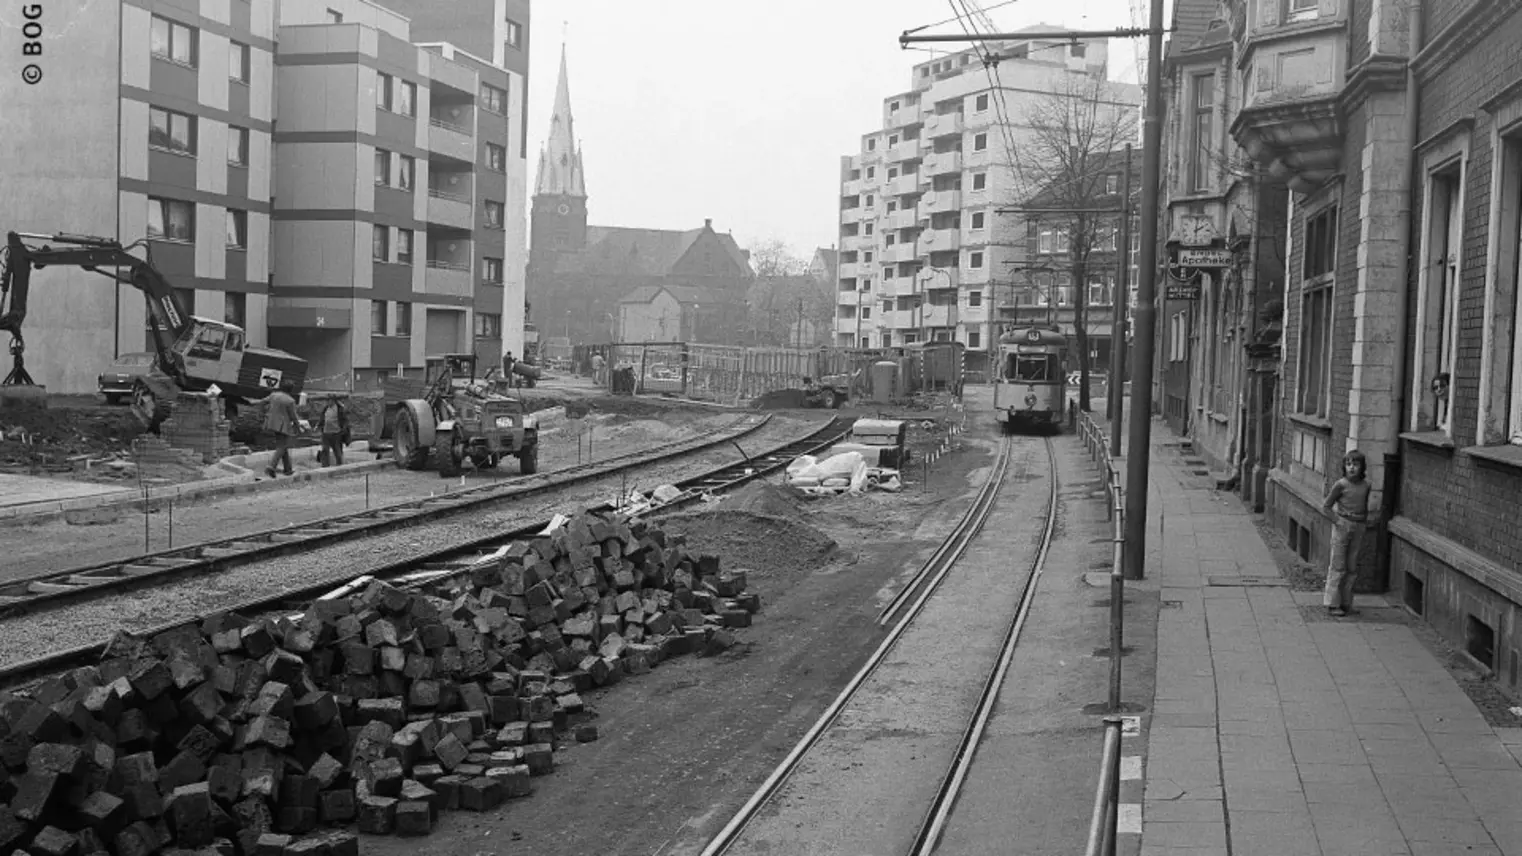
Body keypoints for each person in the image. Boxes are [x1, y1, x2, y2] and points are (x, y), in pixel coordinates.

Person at [1321, 449, 1372, 618]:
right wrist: (1338, 521)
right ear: (1344, 467)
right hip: (1342, 526)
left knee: (1352, 566)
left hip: (1358, 526)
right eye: (1348, 464)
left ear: (1362, 467)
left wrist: (1365, 521)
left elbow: (1365, 506)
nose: (1352, 468)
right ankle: (1332, 603)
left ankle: (1347, 602)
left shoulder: (1366, 486)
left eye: (1355, 464)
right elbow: (1326, 506)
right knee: (1338, 565)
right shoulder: (1340, 485)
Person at [262, 380, 305, 478]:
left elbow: (263, 401)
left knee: (283, 445)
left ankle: (288, 469)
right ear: (291, 390)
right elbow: (293, 416)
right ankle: (271, 467)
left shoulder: (273, 395)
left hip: (272, 423)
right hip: (283, 425)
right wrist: (298, 428)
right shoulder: (290, 400)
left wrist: (264, 413)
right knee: (282, 446)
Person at [319, 394, 350, 467]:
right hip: (326, 433)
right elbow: (322, 418)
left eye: (329, 400)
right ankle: (325, 466)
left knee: (337, 450)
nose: (327, 402)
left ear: (333, 401)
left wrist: (343, 430)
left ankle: (339, 466)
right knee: (325, 449)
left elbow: (345, 420)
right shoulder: (326, 408)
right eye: (327, 400)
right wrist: (320, 425)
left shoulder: (340, 409)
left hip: (336, 433)